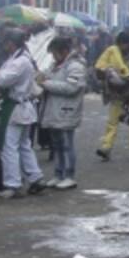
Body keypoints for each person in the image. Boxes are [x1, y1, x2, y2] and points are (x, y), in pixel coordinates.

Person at [0, 29, 45, 199]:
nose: (4, 46)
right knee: (24, 145)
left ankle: (13, 185)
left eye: (6, 43)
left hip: (15, 108)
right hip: (23, 107)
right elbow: (3, 73)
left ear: (11, 43)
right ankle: (35, 178)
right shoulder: (21, 58)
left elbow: (2, 79)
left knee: (8, 147)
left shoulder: (20, 61)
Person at [37, 35, 87, 189]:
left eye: (54, 53)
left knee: (66, 144)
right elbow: (47, 76)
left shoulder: (75, 66)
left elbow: (70, 88)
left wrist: (45, 83)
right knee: (57, 144)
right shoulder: (56, 65)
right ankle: (58, 174)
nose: (53, 56)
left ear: (64, 51)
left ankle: (69, 176)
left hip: (66, 111)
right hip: (55, 110)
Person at [93, 30, 129, 162]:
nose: (123, 47)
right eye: (121, 44)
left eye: (125, 44)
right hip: (116, 94)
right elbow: (103, 69)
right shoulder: (112, 53)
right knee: (112, 123)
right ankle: (106, 148)